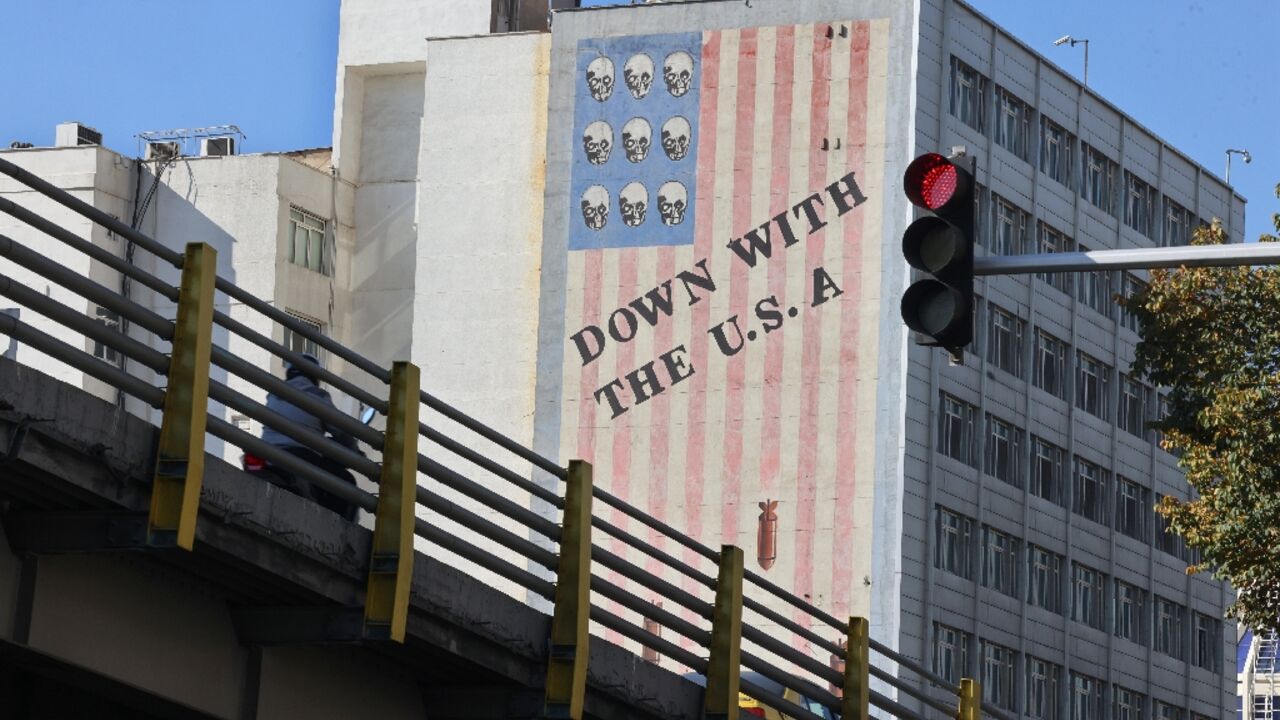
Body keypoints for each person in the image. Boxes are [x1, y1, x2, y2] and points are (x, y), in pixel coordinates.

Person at [261, 352, 360, 521]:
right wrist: (354, 450)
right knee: (347, 483)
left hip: (266, 455)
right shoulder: (317, 396)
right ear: (315, 376)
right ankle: (338, 535)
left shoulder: (274, 394)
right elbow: (342, 431)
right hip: (301, 457)